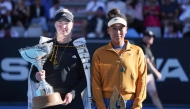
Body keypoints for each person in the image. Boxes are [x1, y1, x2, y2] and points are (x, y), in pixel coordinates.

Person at [28, 8, 91, 109]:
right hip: (49, 100)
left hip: (73, 102)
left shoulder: (80, 48)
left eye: (67, 22)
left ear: (72, 24)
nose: (63, 26)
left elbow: (85, 79)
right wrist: (37, 76)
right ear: (55, 24)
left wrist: (72, 93)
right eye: (60, 22)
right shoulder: (44, 47)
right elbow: (32, 73)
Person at [91, 8, 147, 109]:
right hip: (106, 103)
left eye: (121, 28)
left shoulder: (137, 51)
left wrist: (137, 105)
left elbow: (142, 81)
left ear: (126, 30)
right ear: (108, 30)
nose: (118, 32)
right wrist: (101, 106)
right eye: (114, 28)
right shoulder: (99, 53)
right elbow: (96, 83)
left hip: (131, 103)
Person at [139, 31, 163, 109]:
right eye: (148, 36)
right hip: (143, 75)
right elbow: (147, 61)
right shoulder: (142, 47)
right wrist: (157, 73)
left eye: (152, 37)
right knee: (140, 96)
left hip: (149, 75)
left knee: (154, 93)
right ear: (144, 37)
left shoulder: (148, 47)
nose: (151, 38)